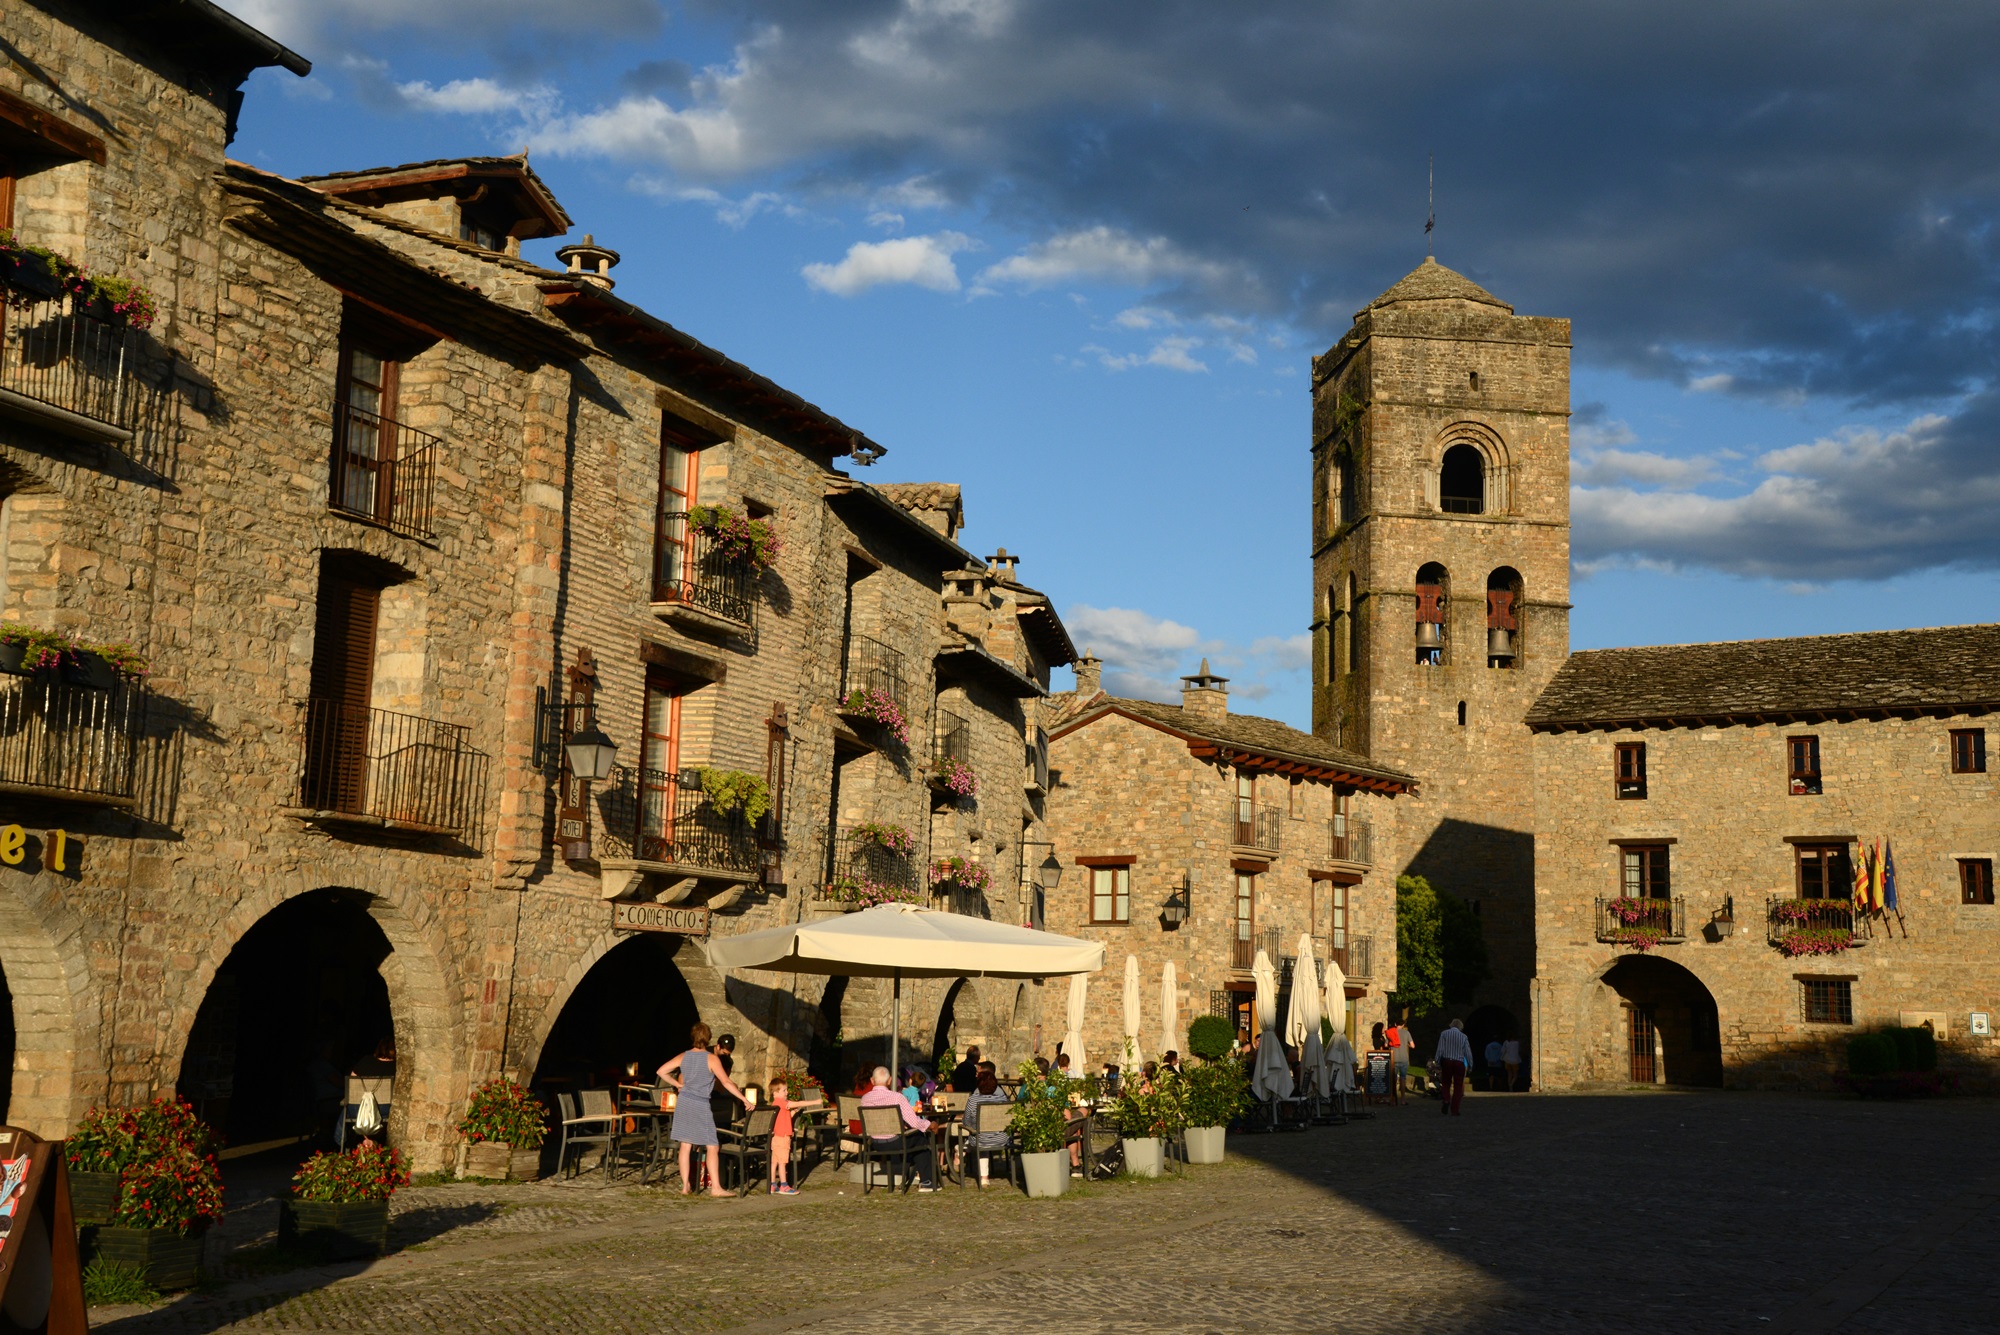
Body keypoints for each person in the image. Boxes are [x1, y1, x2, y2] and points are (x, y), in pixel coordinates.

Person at [658, 1021, 747, 1197]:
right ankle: (716, 1188)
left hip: (684, 1102)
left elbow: (661, 1071)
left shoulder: (683, 1056)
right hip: (700, 1103)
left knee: (685, 1145)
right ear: (708, 1039)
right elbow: (726, 1082)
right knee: (713, 1146)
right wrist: (743, 1098)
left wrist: (678, 1085)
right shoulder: (711, 1058)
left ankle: (685, 1186)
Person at [859, 1065, 939, 1191]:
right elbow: (913, 1121)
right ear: (890, 1080)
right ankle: (926, 1181)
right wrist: (929, 1125)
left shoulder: (865, 1099)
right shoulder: (897, 1097)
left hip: (874, 1142)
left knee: (912, 1139)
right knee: (920, 1138)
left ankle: (907, 1171)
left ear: (872, 1081)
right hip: (894, 1141)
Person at [767, 1077, 819, 1195]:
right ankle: (784, 1185)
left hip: (776, 1137)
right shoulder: (782, 1103)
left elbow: (785, 1118)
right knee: (783, 1162)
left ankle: (772, 1184)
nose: (787, 1092)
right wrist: (815, 1102)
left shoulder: (775, 1104)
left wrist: (794, 1112)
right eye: (784, 1091)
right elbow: (798, 1103)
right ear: (776, 1093)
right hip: (783, 1136)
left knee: (774, 1161)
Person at [963, 1064, 1011, 1188]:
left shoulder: (973, 1100)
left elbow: (966, 1121)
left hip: (981, 1140)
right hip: (1003, 1139)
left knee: (980, 1135)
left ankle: (984, 1178)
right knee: (983, 1134)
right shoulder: (1003, 1099)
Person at [1434, 1019, 1473, 1116]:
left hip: (1447, 1061)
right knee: (1458, 1087)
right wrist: (1471, 1064)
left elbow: (1440, 1049)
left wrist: (1437, 1061)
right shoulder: (1464, 1037)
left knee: (1446, 1083)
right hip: (1459, 1063)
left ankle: (1446, 1099)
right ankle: (1455, 1110)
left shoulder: (1444, 1034)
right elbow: (1467, 1052)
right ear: (1460, 1027)